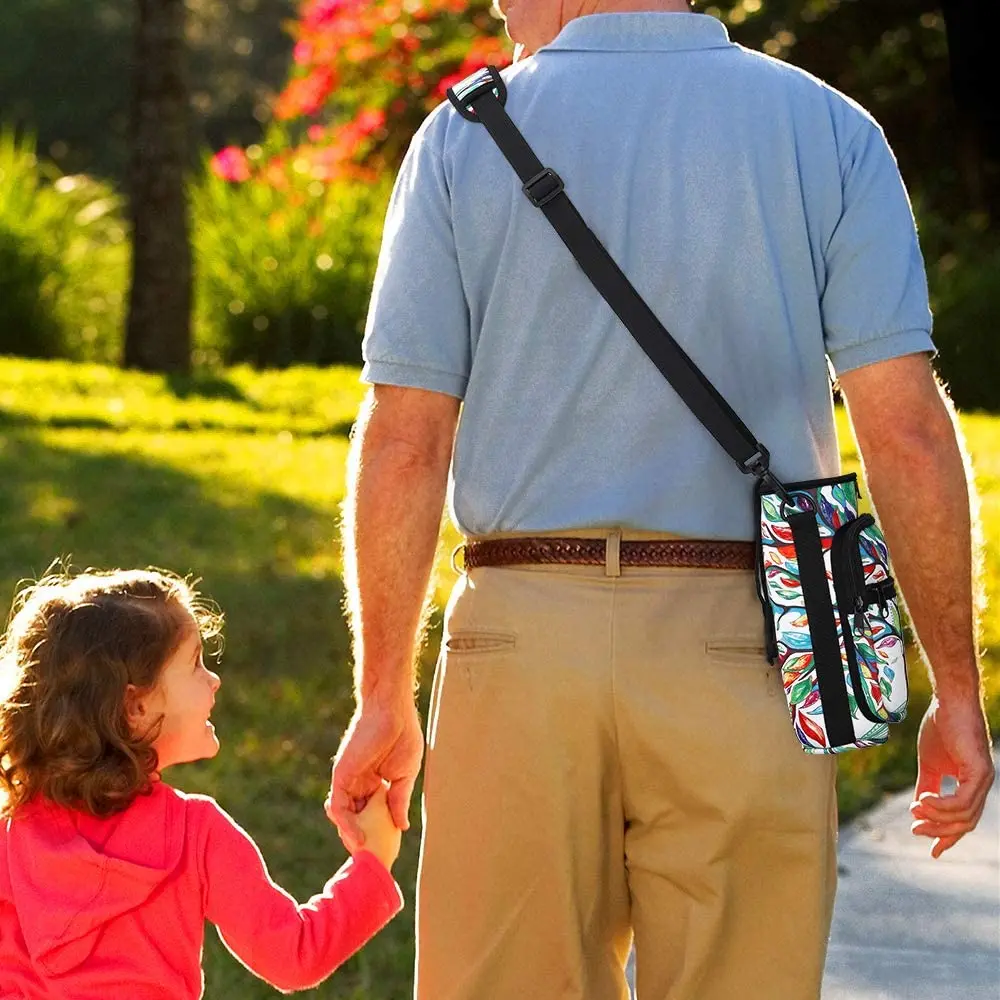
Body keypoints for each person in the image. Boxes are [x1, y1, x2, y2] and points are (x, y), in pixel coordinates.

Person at [328, 2, 995, 998]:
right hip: (753, 647)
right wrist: (955, 687)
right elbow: (901, 426)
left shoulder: (464, 133)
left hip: (520, 646)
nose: (502, 4)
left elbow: (404, 437)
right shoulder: (826, 128)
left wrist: (382, 691)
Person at [0, 568, 403, 999]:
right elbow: (293, 956)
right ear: (136, 706)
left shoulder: (11, 832)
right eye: (195, 664)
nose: (214, 679)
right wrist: (373, 861)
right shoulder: (197, 833)